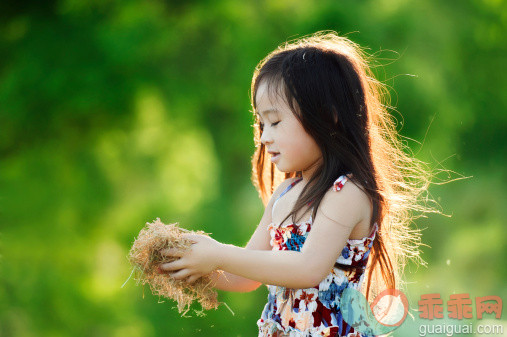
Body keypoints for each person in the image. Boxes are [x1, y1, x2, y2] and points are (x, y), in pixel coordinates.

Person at [158, 31, 437, 336]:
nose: (265, 137)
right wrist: (192, 264)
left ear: (328, 118)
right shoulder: (286, 193)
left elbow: (308, 268)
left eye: (275, 122)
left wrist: (219, 254)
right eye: (261, 123)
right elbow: (245, 277)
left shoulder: (347, 192)